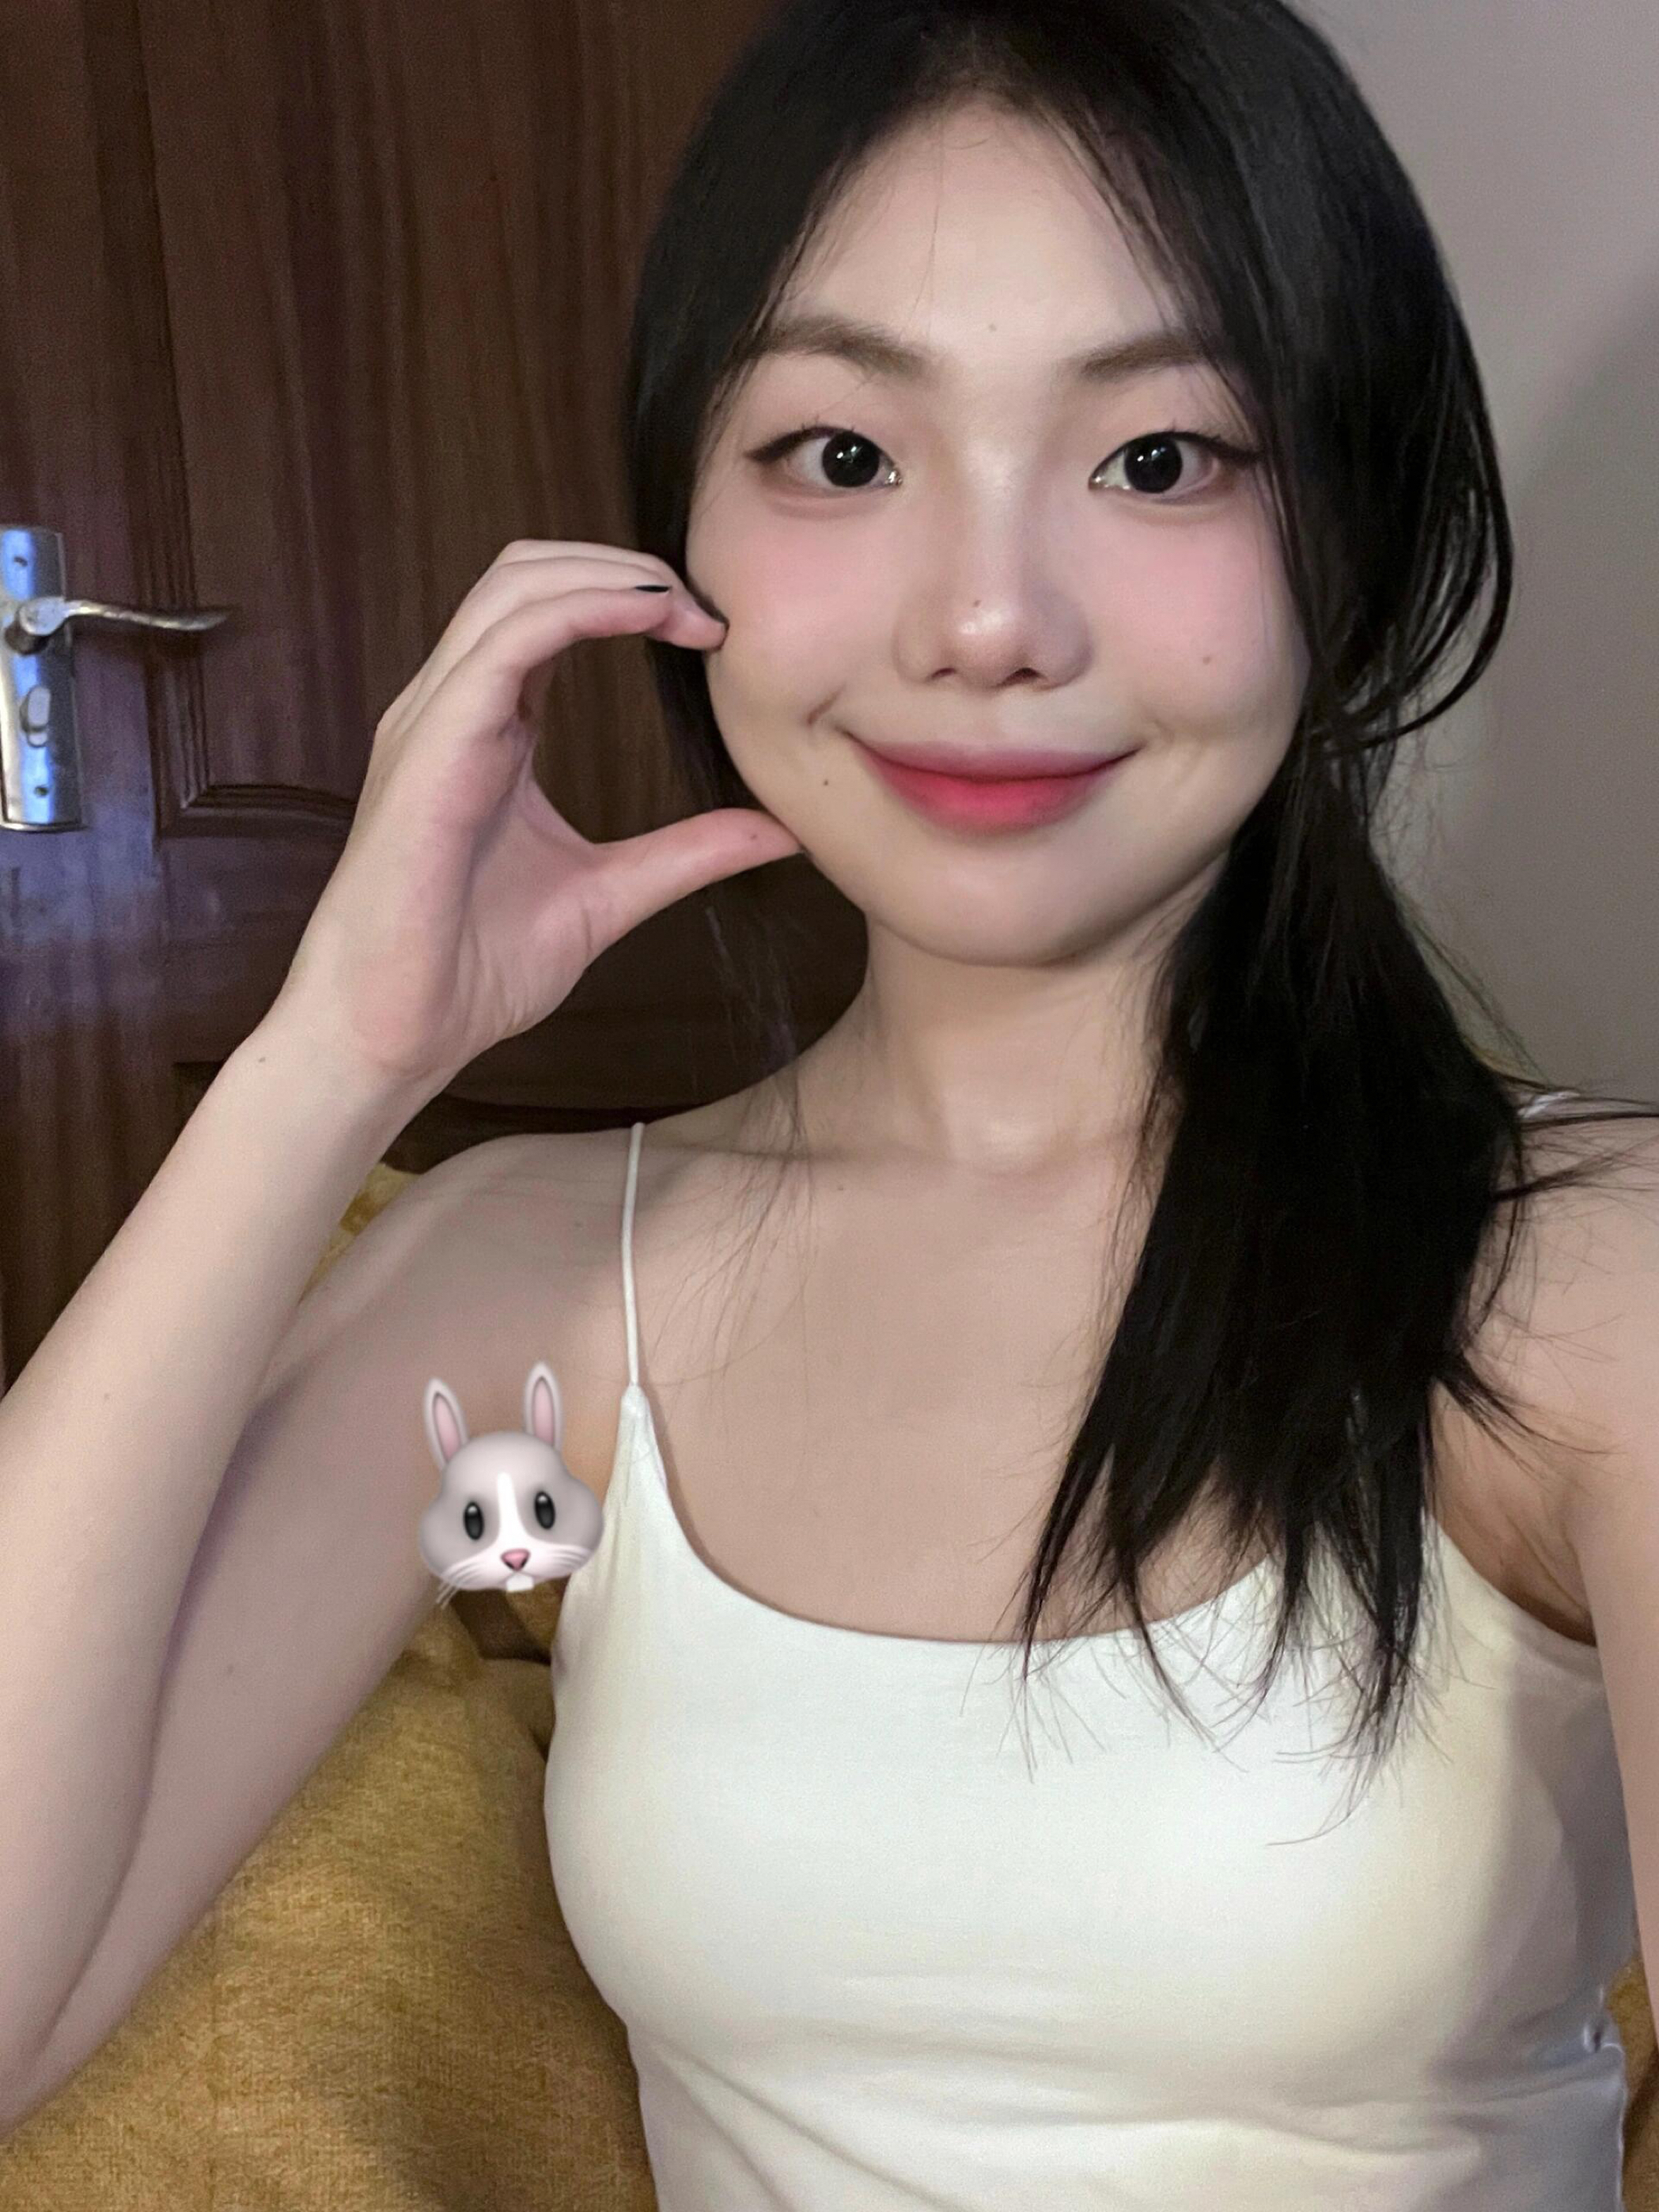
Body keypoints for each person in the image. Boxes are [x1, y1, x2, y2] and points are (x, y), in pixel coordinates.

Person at [2, 0, 1657, 2203]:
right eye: (844, 455)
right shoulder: (523, 1280)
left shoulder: (1579, 1283)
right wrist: (331, 1057)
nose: (985, 619)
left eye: (1162, 457)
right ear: (675, 535)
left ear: (1347, 527)